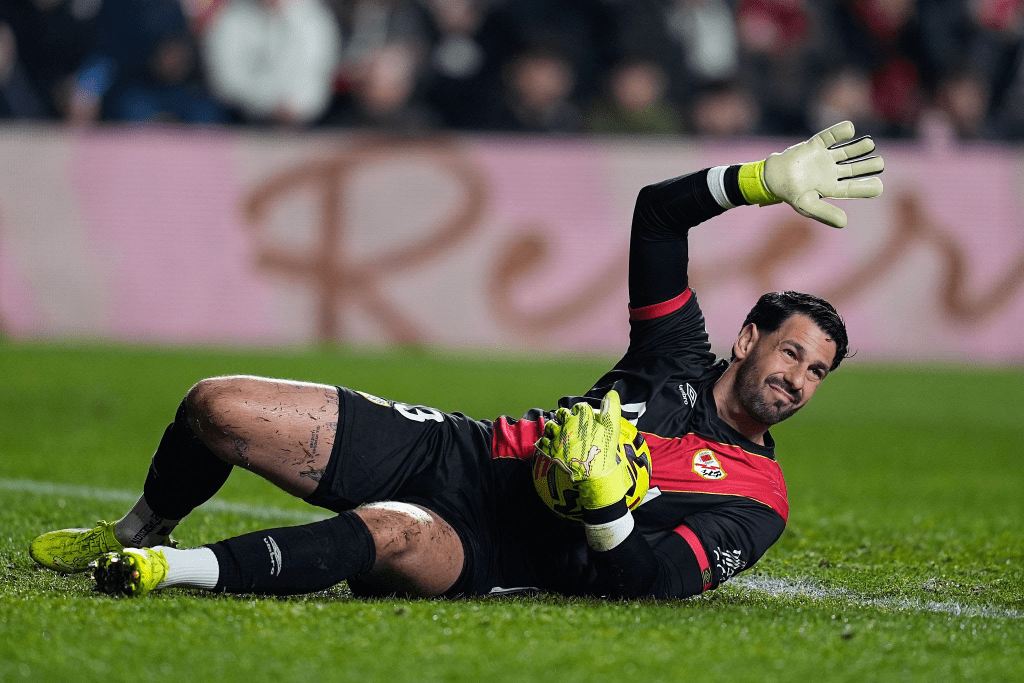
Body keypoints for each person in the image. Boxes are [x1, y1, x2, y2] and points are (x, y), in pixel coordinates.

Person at [28, 122, 883, 599]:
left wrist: (607, 509)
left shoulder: (759, 500)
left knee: (386, 533)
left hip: (500, 549)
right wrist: (759, 179)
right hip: (462, 450)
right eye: (792, 353)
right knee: (216, 405)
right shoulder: (676, 353)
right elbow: (657, 215)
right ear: (748, 339)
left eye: (817, 372)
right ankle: (138, 529)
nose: (798, 379)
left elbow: (656, 581)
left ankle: (164, 570)